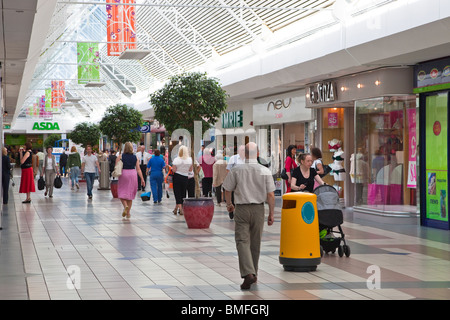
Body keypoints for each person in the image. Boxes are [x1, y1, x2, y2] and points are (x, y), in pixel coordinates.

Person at [223, 142, 275, 290]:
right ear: (257, 154)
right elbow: (271, 194)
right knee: (255, 243)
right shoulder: (265, 170)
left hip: (242, 209)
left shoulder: (237, 170)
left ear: (244, 154)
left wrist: (229, 204)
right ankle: (254, 274)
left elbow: (227, 189)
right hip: (259, 209)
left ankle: (248, 274)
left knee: (242, 241)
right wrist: (271, 213)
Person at [117, 142, 145, 218]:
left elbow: (116, 167)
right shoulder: (135, 157)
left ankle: (125, 206)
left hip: (124, 174)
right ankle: (128, 213)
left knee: (121, 192)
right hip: (133, 174)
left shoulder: (120, 156)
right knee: (130, 194)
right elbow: (138, 169)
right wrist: (142, 179)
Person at [171, 145, 193, 215]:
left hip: (177, 177)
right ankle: (177, 208)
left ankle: (180, 209)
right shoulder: (190, 159)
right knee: (183, 193)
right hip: (185, 177)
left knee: (177, 193)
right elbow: (190, 169)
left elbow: (174, 170)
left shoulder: (176, 159)